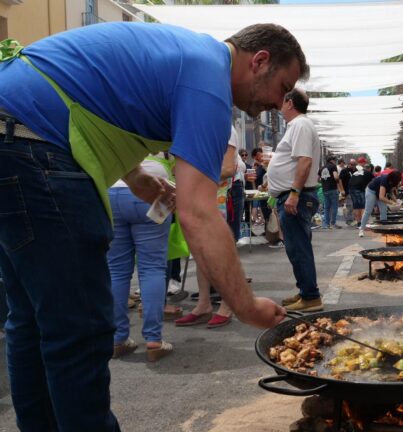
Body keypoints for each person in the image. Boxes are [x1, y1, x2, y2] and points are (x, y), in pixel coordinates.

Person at [0, 22, 306, 430]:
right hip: (35, 152)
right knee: (79, 330)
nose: (277, 103)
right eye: (282, 88)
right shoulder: (208, 83)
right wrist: (246, 306)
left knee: (31, 320)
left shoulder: (188, 55)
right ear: (260, 61)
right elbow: (198, 213)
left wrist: (135, 176)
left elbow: (93, 95)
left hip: (14, 139)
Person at [109, 153, 174, 361]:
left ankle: (117, 339)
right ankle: (154, 340)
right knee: (152, 268)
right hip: (154, 189)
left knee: (116, 270)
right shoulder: (160, 129)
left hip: (111, 188)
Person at [175, 126, 241, 329]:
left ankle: (227, 305)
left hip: (216, 197)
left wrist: (194, 175)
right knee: (200, 251)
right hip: (199, 196)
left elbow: (229, 168)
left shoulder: (226, 129)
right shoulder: (198, 126)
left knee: (219, 252)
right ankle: (204, 304)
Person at [267, 89, 323, 312]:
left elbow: (304, 162)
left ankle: (311, 296)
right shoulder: (299, 125)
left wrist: (294, 193)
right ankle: (305, 292)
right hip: (294, 196)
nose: (279, 106)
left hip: (296, 198)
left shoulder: (300, 125)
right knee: (296, 248)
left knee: (298, 248)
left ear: (289, 103)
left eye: (282, 102)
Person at [358, 170, 403, 237]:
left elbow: (390, 192)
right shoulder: (384, 180)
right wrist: (391, 202)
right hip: (371, 191)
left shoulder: (392, 182)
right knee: (368, 211)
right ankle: (361, 229)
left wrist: (396, 201)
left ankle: (383, 230)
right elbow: (381, 197)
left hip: (379, 193)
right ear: (393, 179)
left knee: (383, 210)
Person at [318, 155, 343, 229]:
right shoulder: (333, 166)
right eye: (335, 160)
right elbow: (335, 177)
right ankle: (333, 224)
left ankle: (326, 224)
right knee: (334, 207)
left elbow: (318, 179)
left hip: (325, 189)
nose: (335, 161)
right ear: (332, 160)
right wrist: (338, 181)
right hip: (332, 189)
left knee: (326, 208)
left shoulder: (321, 168)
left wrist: (325, 181)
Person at [349, 162, 373, 227]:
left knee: (356, 206)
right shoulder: (369, 173)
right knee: (363, 206)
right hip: (359, 189)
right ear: (370, 169)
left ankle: (358, 223)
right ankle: (363, 223)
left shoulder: (356, 172)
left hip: (351, 189)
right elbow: (371, 183)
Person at [339, 158, 357, 225]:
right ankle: (349, 220)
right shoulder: (344, 171)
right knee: (350, 206)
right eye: (352, 164)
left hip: (355, 191)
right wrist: (342, 190)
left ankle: (353, 218)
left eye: (354, 165)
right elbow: (340, 180)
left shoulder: (356, 170)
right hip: (347, 191)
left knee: (355, 206)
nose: (353, 166)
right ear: (349, 164)